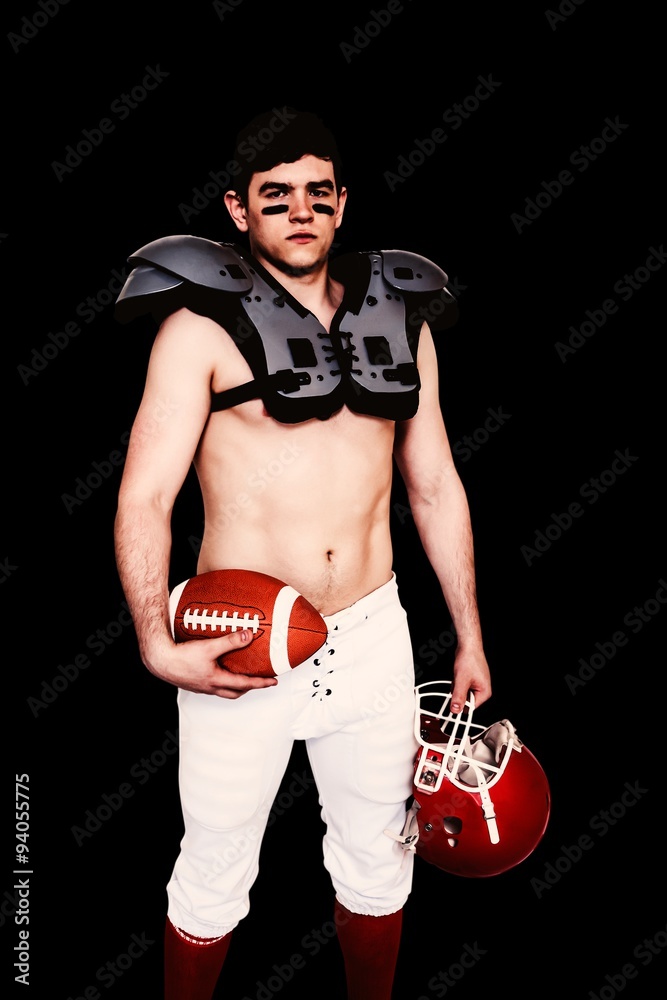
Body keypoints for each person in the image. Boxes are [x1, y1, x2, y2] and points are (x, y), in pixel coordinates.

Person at [113, 107, 492, 1000]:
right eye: (275, 196)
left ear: (341, 203)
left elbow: (434, 486)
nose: (299, 211)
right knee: (212, 871)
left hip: (369, 632)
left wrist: (468, 635)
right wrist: (152, 636)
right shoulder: (196, 332)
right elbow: (144, 496)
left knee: (376, 861)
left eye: (316, 194)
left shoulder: (400, 322)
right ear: (238, 212)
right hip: (237, 639)